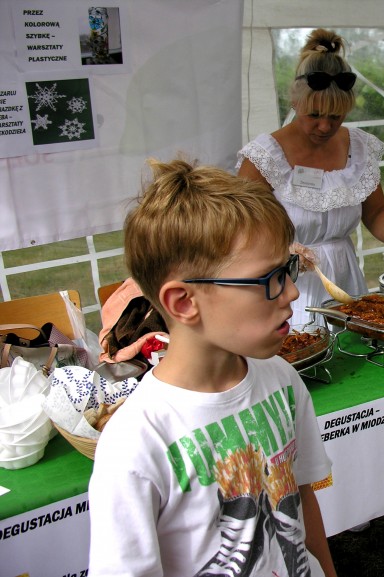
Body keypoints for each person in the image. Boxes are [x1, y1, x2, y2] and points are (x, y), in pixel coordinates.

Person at [88, 158, 338, 577]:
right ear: (184, 302)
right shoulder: (135, 444)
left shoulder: (281, 378)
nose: (292, 292)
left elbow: (301, 500)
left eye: (288, 269)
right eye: (269, 278)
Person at [237, 28, 384, 326]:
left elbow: (376, 212)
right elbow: (239, 228)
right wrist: (281, 251)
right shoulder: (265, 157)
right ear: (294, 101)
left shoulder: (359, 148)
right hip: (289, 284)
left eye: (336, 116)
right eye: (314, 115)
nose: (325, 126)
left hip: (344, 277)